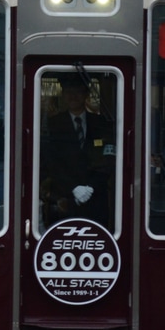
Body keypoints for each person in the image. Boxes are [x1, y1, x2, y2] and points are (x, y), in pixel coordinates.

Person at [41, 76, 115, 226]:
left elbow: (109, 158)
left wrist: (90, 188)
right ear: (63, 95)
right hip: (63, 200)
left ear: (86, 94)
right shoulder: (52, 124)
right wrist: (73, 188)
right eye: (68, 91)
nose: (73, 96)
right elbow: (49, 161)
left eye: (78, 91)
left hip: (96, 199)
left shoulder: (101, 123)